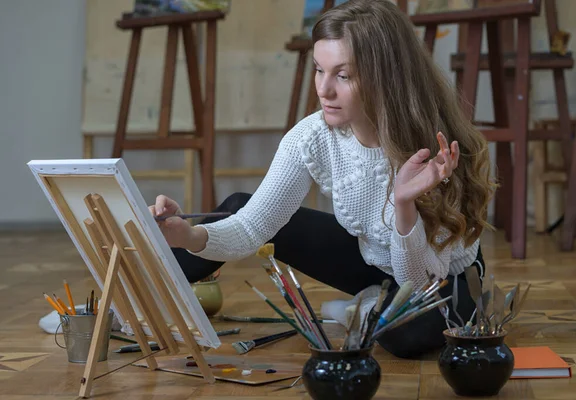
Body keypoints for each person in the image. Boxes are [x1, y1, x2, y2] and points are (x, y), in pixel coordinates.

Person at [150, 0, 495, 358]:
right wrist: (188, 235)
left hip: (440, 277)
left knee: (399, 334)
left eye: (343, 75)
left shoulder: (435, 149)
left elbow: (417, 283)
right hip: (374, 261)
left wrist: (404, 203)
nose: (323, 89)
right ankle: (143, 295)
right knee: (240, 207)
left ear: (385, 77)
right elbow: (251, 228)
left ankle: (368, 310)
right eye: (319, 70)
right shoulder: (313, 136)